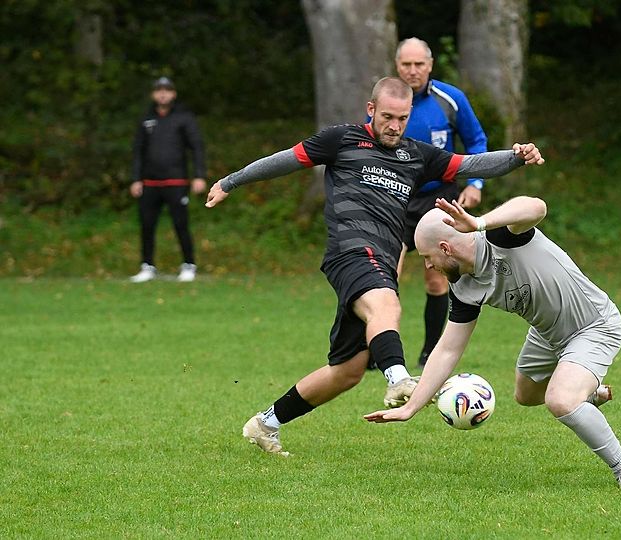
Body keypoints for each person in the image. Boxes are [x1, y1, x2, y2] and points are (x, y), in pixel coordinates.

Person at [205, 77, 545, 455]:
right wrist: (231, 181)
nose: (394, 126)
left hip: (380, 257)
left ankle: (265, 423)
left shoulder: (417, 154)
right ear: (371, 110)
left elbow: (470, 164)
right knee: (387, 305)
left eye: (402, 118)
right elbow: (285, 160)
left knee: (348, 371)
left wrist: (515, 158)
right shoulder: (341, 140)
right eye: (387, 117)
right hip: (350, 250)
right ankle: (398, 378)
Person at [365, 197, 621, 490]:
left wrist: (479, 223)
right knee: (526, 395)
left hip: (594, 326)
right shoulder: (462, 287)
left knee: (560, 400)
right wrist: (410, 408)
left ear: (446, 248)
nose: (428, 265)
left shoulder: (499, 237)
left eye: (427, 257)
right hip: (547, 333)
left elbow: (537, 206)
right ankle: (586, 392)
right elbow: (448, 348)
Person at [394, 37, 489, 368]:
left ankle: (430, 350)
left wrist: (475, 183)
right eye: (406, 64)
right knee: (385, 274)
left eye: (419, 64)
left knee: (436, 276)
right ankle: (379, 352)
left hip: (440, 197)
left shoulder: (450, 99)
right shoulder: (388, 101)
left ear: (430, 65)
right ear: (397, 66)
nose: (413, 71)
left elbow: (476, 141)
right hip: (395, 195)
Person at [129, 76, 207, 283]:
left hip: (176, 181)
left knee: (181, 224)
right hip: (150, 183)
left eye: (167, 90)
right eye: (159, 90)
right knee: (147, 225)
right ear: (153, 94)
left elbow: (196, 147)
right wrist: (136, 179)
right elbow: (138, 151)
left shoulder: (183, 118)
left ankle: (189, 264)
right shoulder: (146, 119)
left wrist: (199, 175)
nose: (163, 93)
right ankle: (147, 265)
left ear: (173, 93)